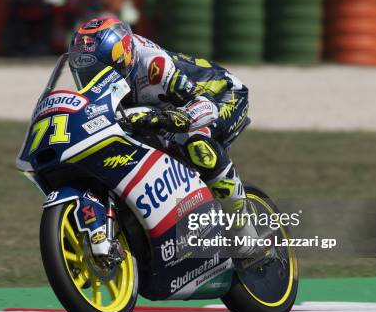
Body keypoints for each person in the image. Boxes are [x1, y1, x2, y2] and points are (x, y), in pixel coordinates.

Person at [69, 17, 261, 259]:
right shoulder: (105, 82)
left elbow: (204, 107)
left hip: (222, 95)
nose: (93, 80)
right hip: (161, 109)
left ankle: (244, 233)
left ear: (124, 59)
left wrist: (160, 119)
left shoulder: (153, 65)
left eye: (100, 72)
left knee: (198, 146)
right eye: (86, 74)